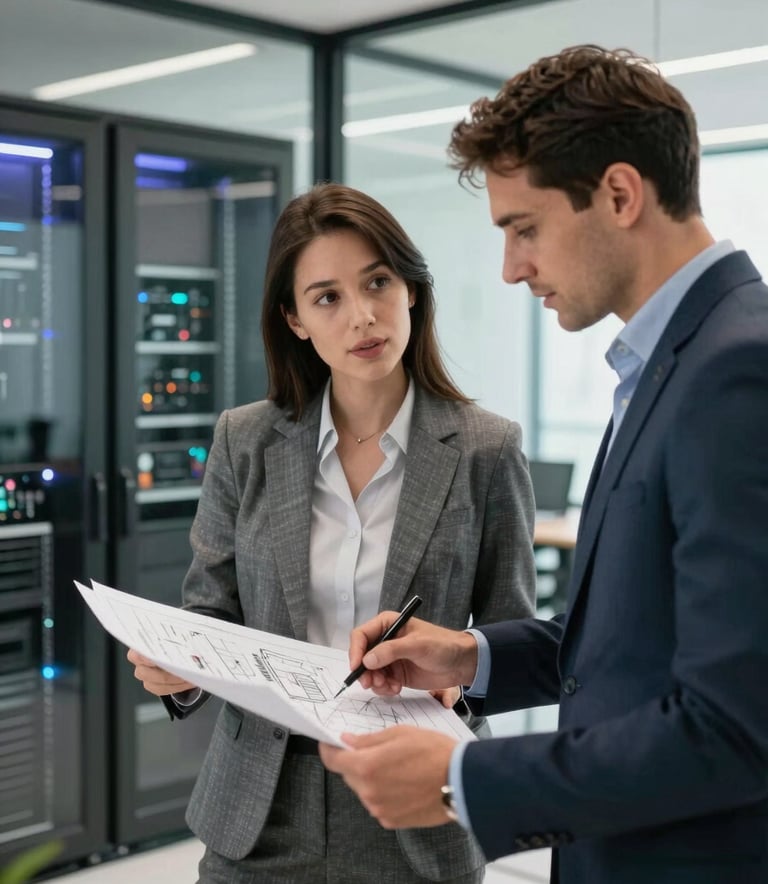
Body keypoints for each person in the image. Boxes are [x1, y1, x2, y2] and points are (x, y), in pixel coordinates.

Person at [319, 45, 768, 884]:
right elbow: (632, 641)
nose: (512, 267)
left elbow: (736, 727)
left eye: (524, 228)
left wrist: (463, 782)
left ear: (621, 195)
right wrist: (467, 655)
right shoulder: (666, 361)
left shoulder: (736, 373)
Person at [128, 182, 536, 884]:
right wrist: (179, 669)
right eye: (328, 298)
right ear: (294, 320)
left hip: (414, 805)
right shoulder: (244, 440)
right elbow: (211, 612)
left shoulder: (486, 449)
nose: (363, 316)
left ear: (410, 288)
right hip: (259, 812)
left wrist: (457, 690)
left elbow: (509, 638)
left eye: (378, 282)